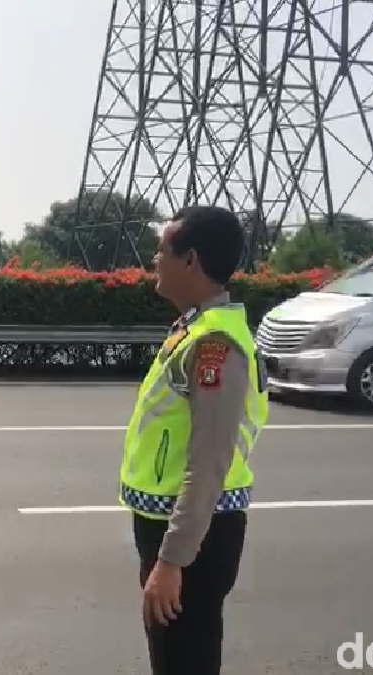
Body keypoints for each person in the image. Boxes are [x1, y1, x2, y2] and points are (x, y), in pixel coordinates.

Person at [118, 205, 270, 675]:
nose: (154, 259)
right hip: (179, 527)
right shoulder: (195, 328)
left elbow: (209, 460)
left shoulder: (214, 344)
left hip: (194, 537)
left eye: (162, 249)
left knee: (184, 662)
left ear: (190, 260)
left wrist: (172, 560)